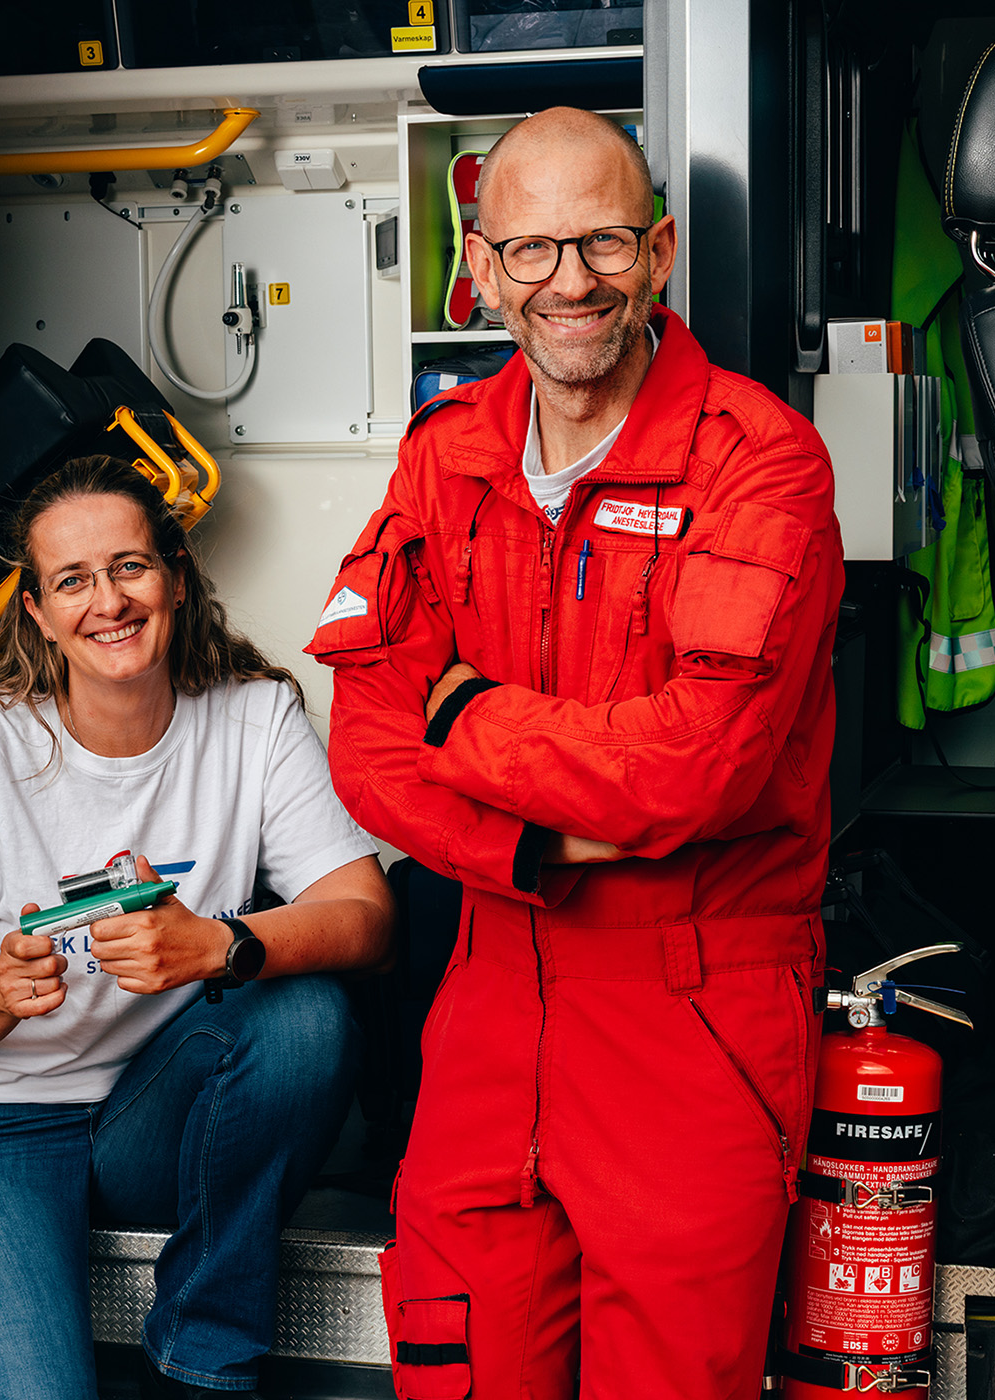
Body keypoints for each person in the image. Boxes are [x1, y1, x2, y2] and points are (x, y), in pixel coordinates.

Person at [308, 108, 843, 1398]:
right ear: (481, 271)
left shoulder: (760, 463)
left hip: (694, 1012)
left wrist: (465, 717)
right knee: (459, 1368)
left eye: (602, 241)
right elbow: (367, 749)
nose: (570, 281)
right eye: (531, 250)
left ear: (658, 252)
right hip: (489, 990)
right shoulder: (445, 457)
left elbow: (695, 767)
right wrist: (544, 841)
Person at [0, 455, 393, 1400]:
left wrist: (221, 944)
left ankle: (203, 1359)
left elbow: (365, 916)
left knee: (307, 1013)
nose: (107, 602)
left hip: (143, 1120)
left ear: (176, 579)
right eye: (72, 580)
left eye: (129, 567)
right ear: (38, 612)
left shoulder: (253, 717)